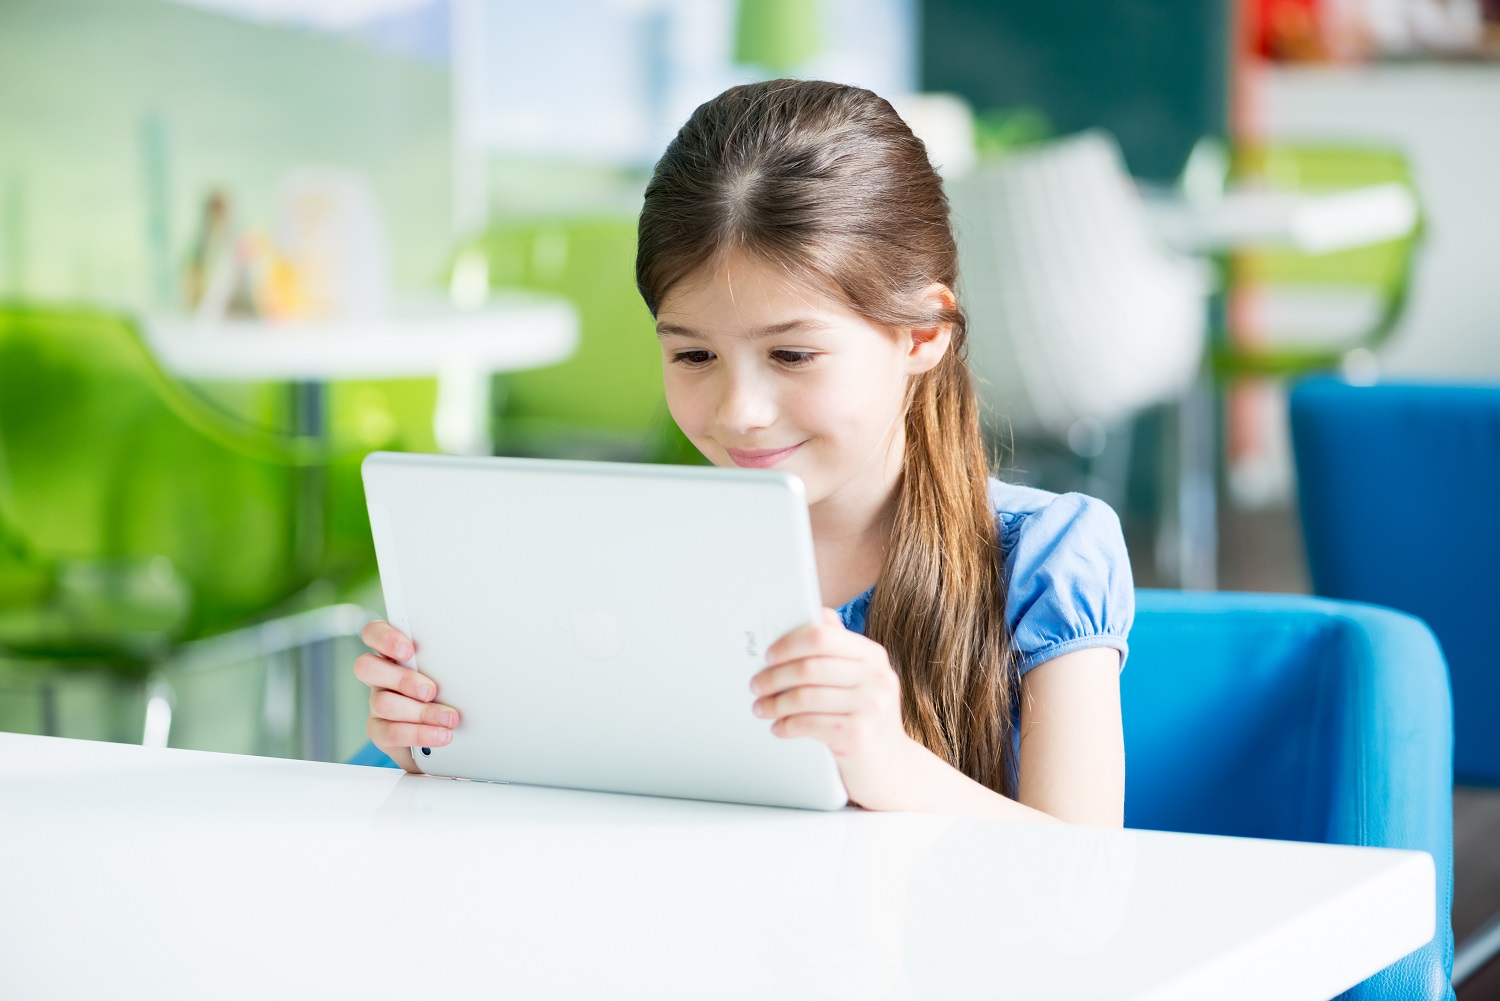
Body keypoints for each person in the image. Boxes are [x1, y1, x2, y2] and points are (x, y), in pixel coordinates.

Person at [354, 79, 1132, 825]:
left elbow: (1088, 870)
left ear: (923, 334)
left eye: (792, 356)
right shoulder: (628, 556)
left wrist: (888, 763)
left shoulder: (1046, 556)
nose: (740, 412)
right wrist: (447, 740)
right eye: (693, 357)